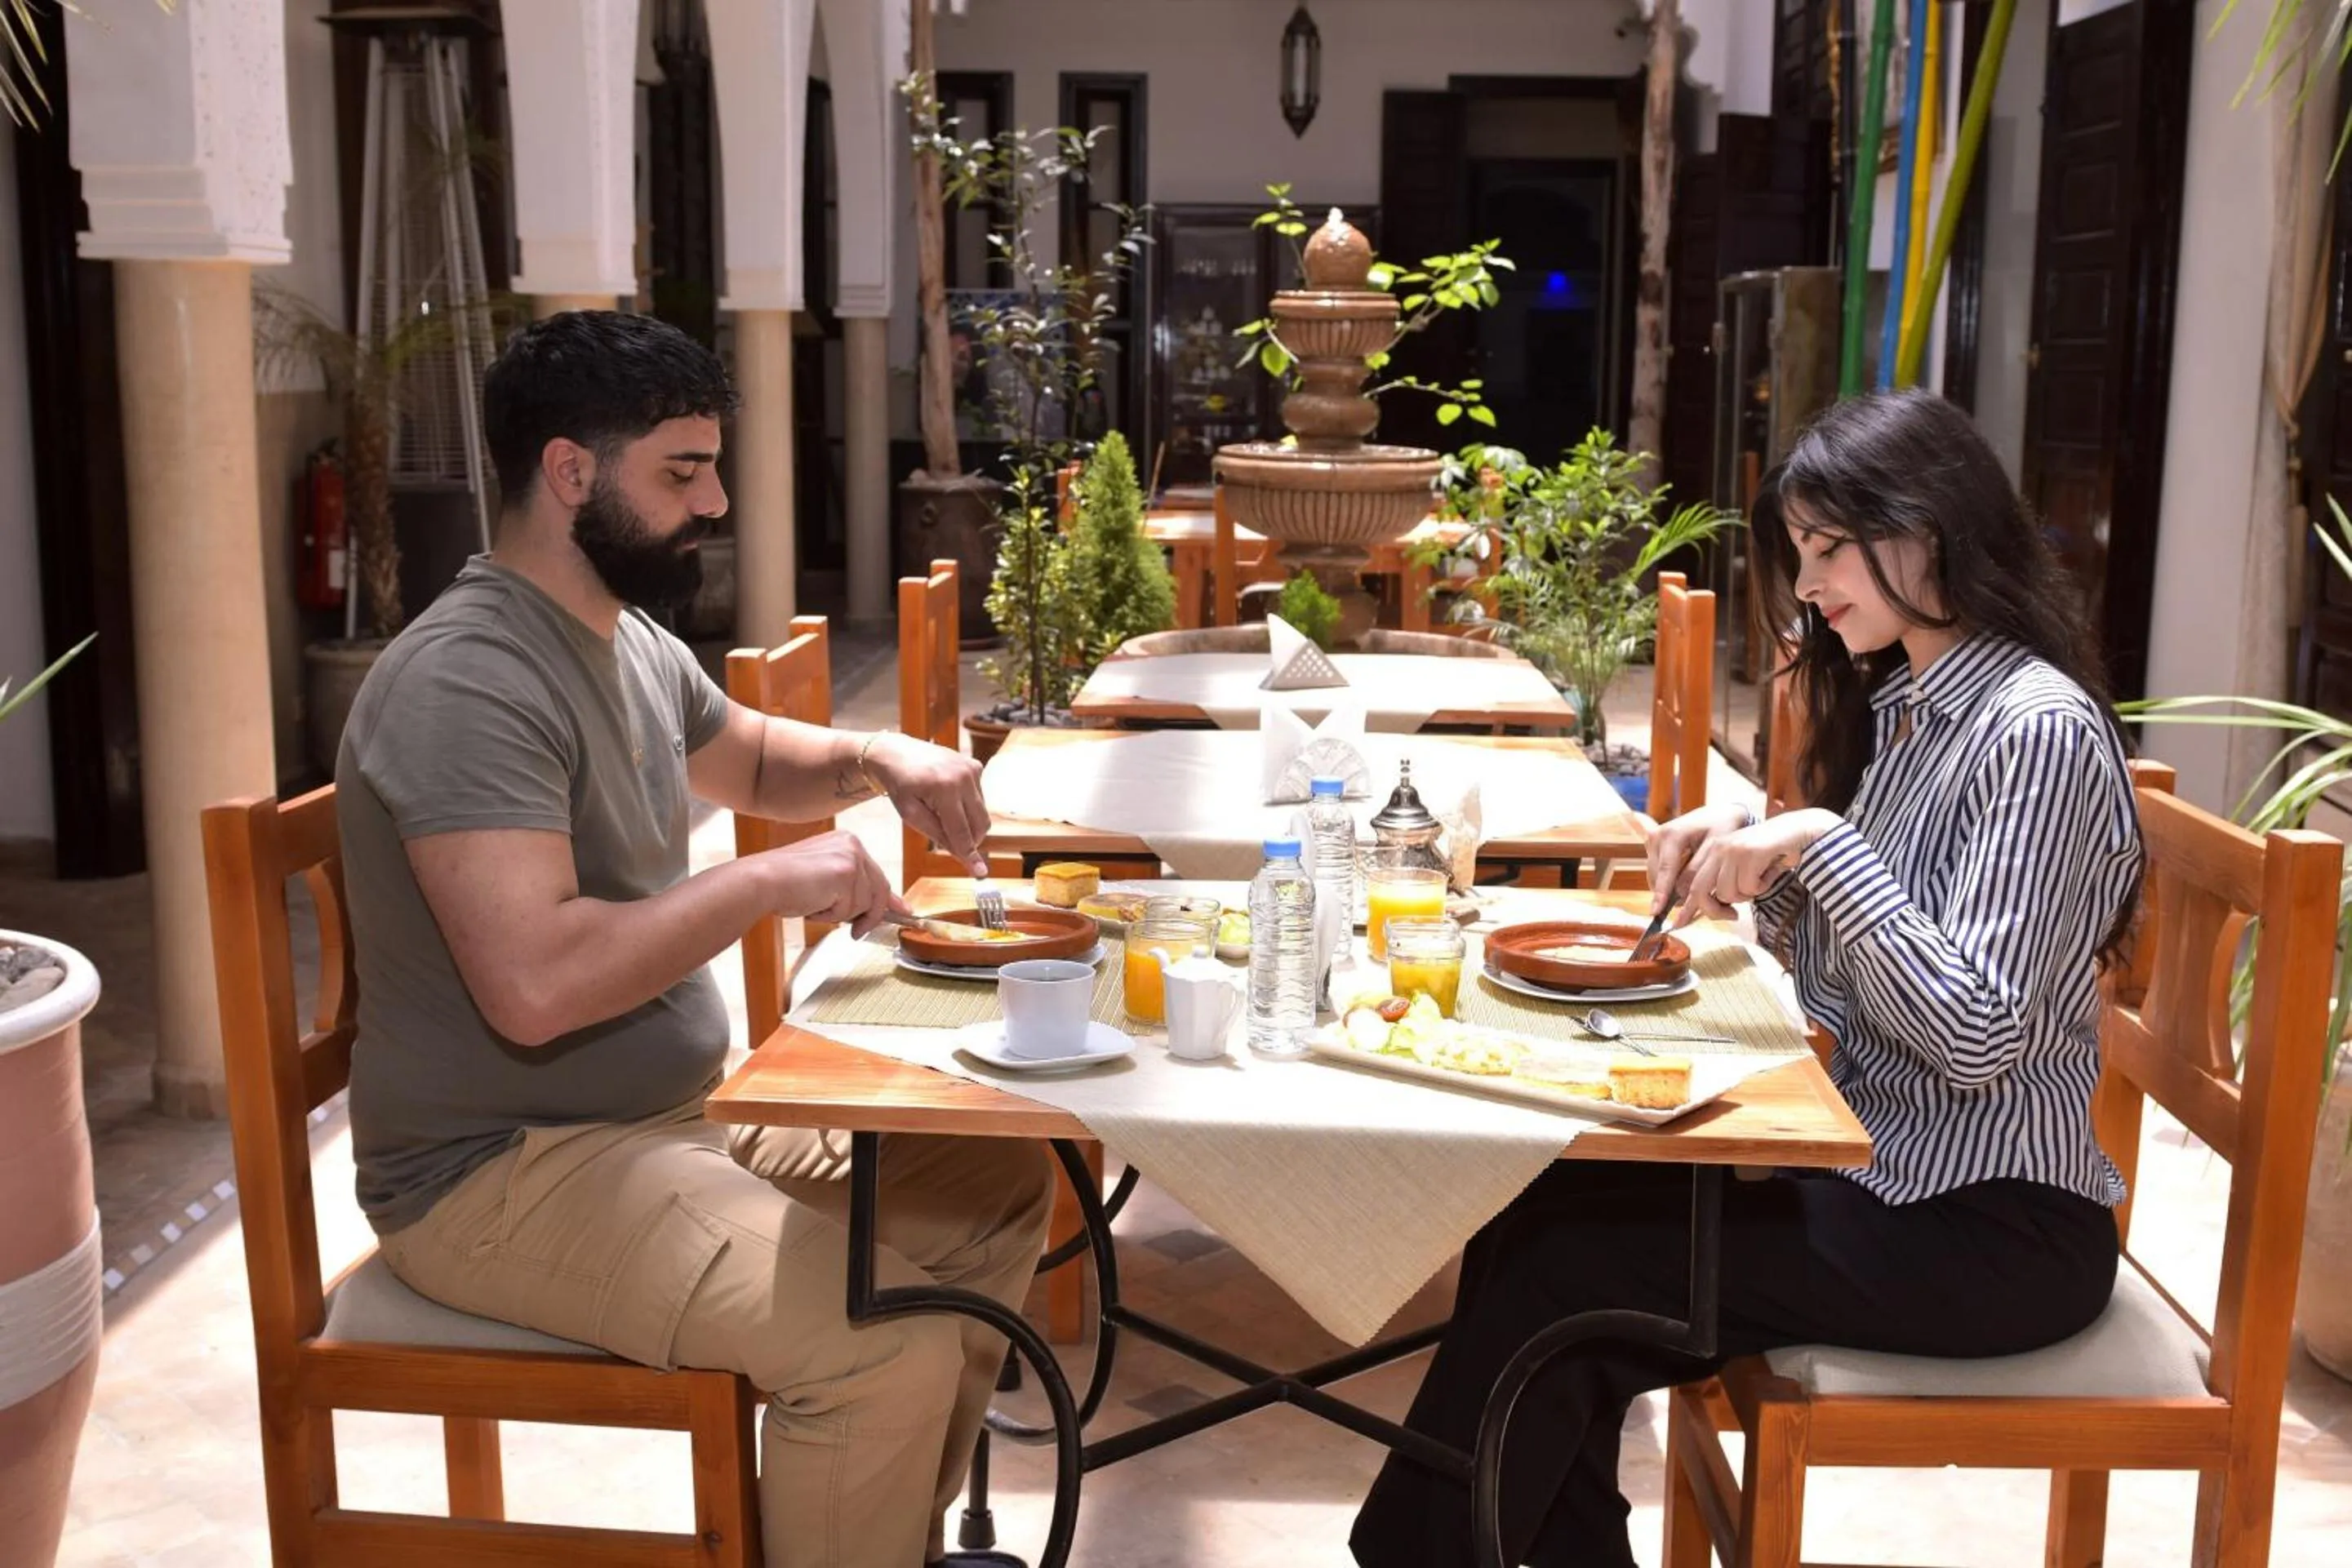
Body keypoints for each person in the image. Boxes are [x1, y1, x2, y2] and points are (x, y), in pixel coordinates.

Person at [1349, 388, 2145, 1567]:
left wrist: (1821, 844)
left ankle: (1408, 1559)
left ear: (1930, 526)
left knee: (1575, 1271)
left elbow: (1974, 1036)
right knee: (1541, 1218)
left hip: (1991, 1225)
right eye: (1802, 552)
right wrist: (1755, 875)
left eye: (1831, 550)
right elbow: (1857, 993)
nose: (1810, 585)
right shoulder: (1921, 709)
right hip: (1880, 1172)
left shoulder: (2035, 729)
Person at [335, 310, 1052, 1568]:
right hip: (500, 1172)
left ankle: (878, 1539)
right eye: (683, 472)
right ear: (570, 474)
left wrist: (879, 756)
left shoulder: (623, 635)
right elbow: (538, 988)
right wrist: (763, 886)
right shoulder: (468, 680)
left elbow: (756, 758)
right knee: (882, 1343)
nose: (717, 501)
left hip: (661, 1126)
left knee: (992, 1183)